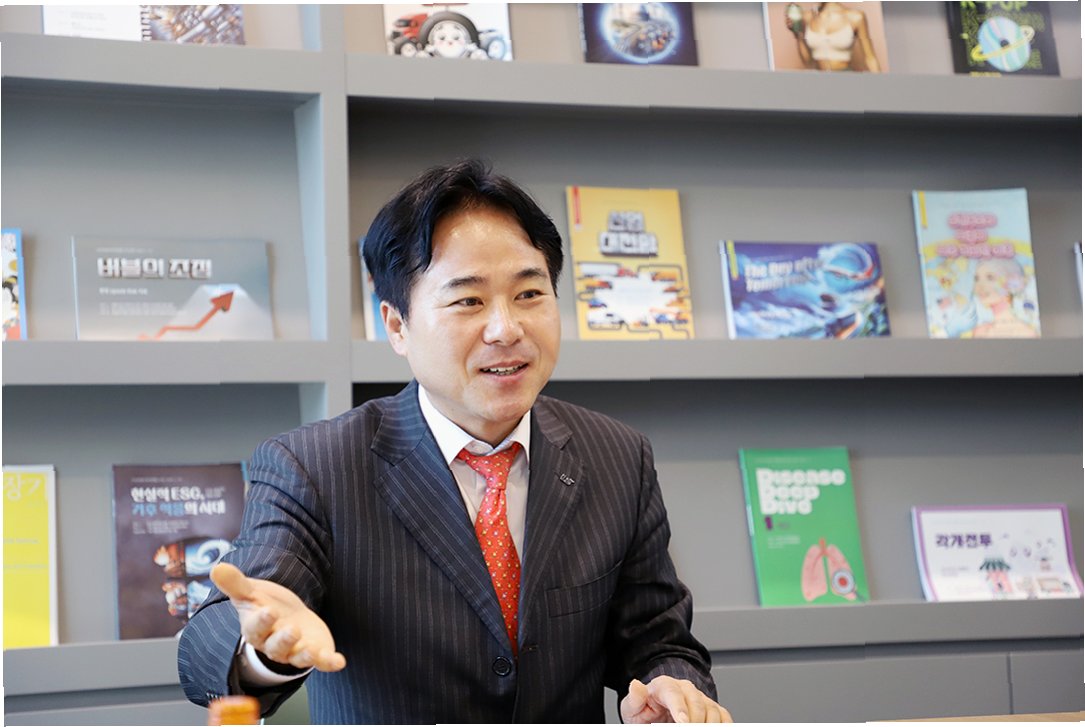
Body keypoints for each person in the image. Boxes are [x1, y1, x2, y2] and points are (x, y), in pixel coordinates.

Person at [178, 159, 731, 724]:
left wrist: (672, 686)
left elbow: (658, 637)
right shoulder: (314, 467)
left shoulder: (618, 456)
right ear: (397, 326)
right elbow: (212, 648)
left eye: (529, 293)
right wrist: (263, 644)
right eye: (469, 301)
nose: (506, 329)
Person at [784, 2, 882, 72]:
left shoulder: (856, 17)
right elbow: (808, 63)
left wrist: (883, 88)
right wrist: (797, 35)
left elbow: (870, 58)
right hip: (818, 81)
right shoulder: (807, 17)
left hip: (845, 79)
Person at [968, 257, 1039, 338]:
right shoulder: (980, 331)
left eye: (990, 278)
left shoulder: (1026, 333)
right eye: (976, 279)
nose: (979, 286)